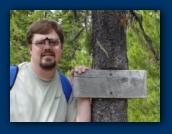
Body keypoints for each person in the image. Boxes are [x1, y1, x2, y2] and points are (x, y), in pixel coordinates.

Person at [10, 19, 91, 122]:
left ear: (61, 47)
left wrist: (82, 85)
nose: (47, 47)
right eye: (40, 43)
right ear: (30, 48)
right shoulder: (10, 78)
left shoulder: (67, 87)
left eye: (53, 42)